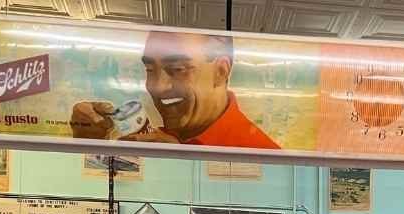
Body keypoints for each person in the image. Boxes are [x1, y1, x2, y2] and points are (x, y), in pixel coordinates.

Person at [70, 31, 280, 149]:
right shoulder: (161, 137)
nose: (157, 87)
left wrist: (182, 161)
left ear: (221, 71)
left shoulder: (261, 152)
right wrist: (89, 144)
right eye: (149, 69)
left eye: (177, 69)